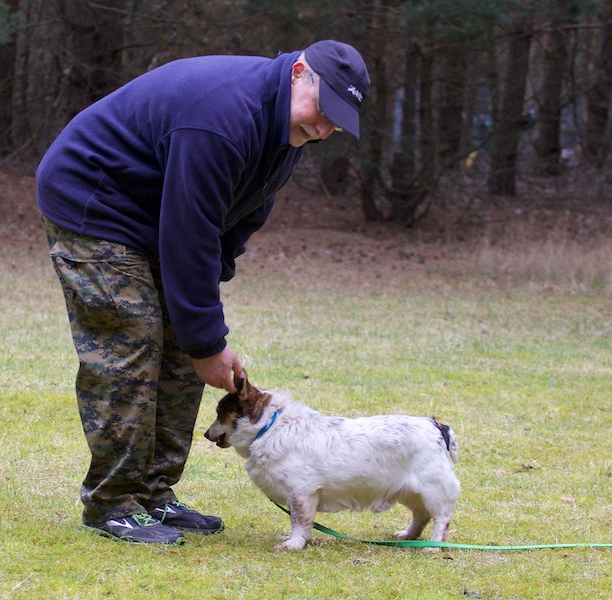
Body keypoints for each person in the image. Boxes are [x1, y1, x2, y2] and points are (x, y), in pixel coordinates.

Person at [36, 39, 370, 545]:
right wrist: (209, 342)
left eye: (335, 125)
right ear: (299, 72)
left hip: (154, 217)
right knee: (132, 341)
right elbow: (189, 231)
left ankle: (153, 493)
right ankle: (113, 503)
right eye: (323, 111)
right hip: (95, 202)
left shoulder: (284, 133)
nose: (323, 130)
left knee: (182, 347)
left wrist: (202, 334)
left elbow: (237, 217)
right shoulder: (222, 116)